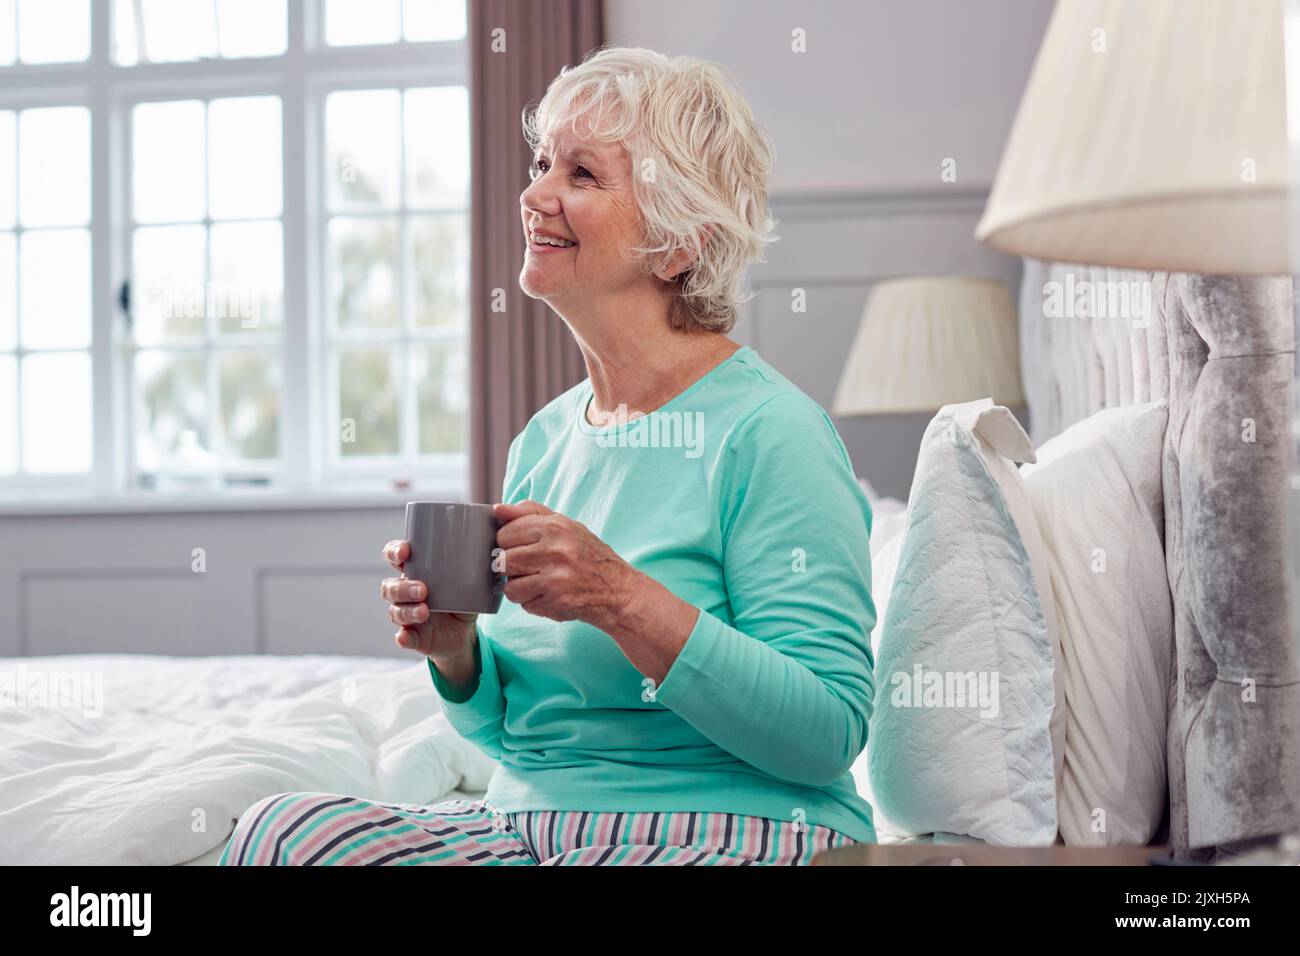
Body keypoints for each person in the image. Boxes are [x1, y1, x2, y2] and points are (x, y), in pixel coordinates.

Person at [221, 45, 876, 867]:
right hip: (530, 828)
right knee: (285, 832)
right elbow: (516, 733)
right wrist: (458, 655)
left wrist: (622, 598)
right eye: (541, 164)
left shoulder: (772, 431)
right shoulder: (544, 439)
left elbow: (828, 733)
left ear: (677, 244)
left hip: (721, 830)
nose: (534, 195)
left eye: (582, 174)